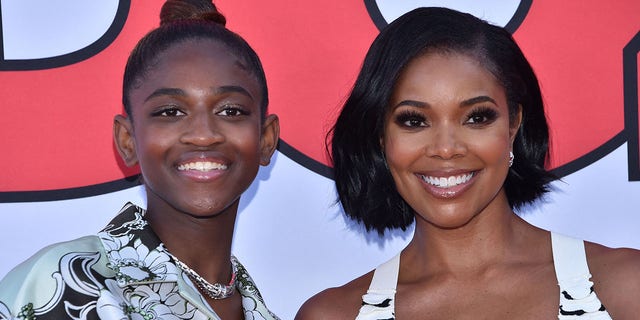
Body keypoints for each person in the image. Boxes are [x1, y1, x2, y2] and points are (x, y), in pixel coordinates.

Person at [296, 7, 640, 320]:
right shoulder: (333, 315)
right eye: (414, 121)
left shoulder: (625, 288)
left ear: (513, 124)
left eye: (476, 117)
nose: (446, 149)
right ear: (381, 138)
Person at [0, 0, 280, 319]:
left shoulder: (262, 312)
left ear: (266, 138)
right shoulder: (63, 286)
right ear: (128, 140)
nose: (203, 135)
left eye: (231, 111)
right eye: (170, 112)